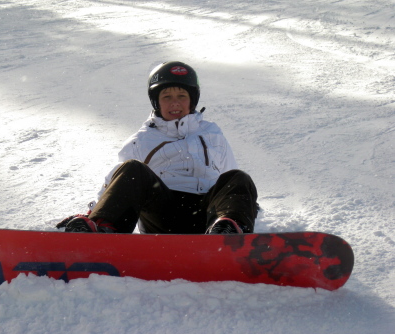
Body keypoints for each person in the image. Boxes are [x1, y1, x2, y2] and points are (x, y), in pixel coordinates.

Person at [57, 61, 258, 234]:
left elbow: (228, 174)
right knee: (133, 169)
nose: (175, 103)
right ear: (156, 102)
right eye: (166, 97)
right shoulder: (143, 139)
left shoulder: (212, 133)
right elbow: (117, 183)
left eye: (182, 96)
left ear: (192, 100)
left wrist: (242, 206)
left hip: (208, 217)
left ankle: (229, 232)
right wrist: (94, 212)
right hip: (164, 215)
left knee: (238, 177)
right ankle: (103, 228)